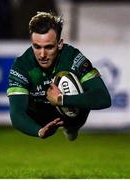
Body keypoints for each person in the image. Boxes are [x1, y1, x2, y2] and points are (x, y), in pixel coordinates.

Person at [7, 12, 111, 141]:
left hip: (70, 112)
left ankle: (72, 127)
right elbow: (16, 113)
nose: (42, 54)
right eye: (37, 47)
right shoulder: (21, 66)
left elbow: (103, 98)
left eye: (49, 47)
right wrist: (39, 131)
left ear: (60, 44)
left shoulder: (72, 58)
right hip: (38, 115)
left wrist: (61, 99)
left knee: (83, 90)